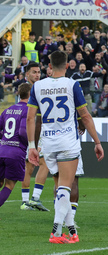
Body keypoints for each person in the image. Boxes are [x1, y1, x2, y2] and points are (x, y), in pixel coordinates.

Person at [27, 51, 104, 244]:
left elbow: (31, 118)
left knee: (61, 189)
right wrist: (97, 142)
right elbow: (85, 116)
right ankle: (55, 232)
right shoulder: (72, 84)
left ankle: (72, 232)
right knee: (65, 188)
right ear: (68, 66)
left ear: (49, 66)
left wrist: (31, 146)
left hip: (47, 142)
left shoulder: (38, 86)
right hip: (67, 142)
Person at [20, 62, 50, 212]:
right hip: (33, 131)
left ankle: (27, 201)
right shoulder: (29, 90)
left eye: (39, 72)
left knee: (30, 166)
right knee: (43, 164)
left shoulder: (38, 87)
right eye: (34, 72)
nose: (37, 75)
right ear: (27, 74)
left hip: (37, 129)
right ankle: (33, 199)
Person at [0, 83, 32, 209]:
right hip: (15, 152)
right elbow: (23, 132)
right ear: (30, 94)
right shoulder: (27, 110)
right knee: (9, 185)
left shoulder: (8, 109)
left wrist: (5, 138)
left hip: (2, 149)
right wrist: (31, 143)